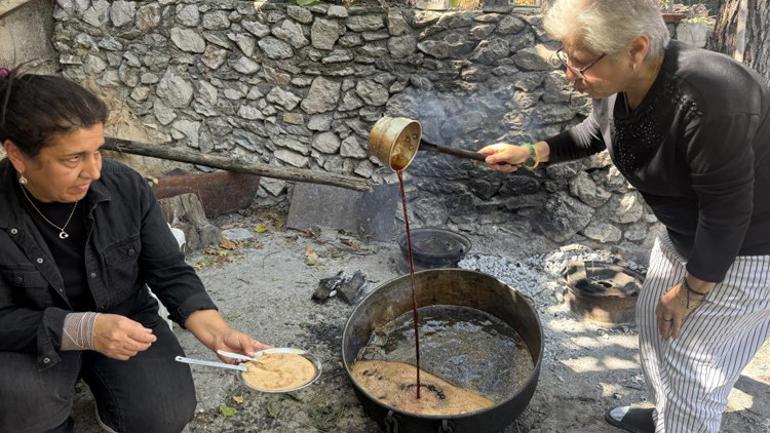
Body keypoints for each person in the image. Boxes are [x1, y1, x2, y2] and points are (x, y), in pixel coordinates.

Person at [479, 1, 770, 432]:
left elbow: (727, 211)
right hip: (686, 234)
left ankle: (681, 420)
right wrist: (533, 153)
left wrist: (692, 290)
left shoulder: (711, 96)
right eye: (567, 59)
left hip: (748, 249)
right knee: (656, 330)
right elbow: (596, 131)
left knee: (695, 374)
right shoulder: (621, 86)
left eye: (580, 64)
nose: (569, 75)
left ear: (636, 48)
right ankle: (662, 417)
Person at [0, 69, 269, 433]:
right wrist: (82, 329)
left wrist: (218, 332)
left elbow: (169, 270)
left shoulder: (124, 185)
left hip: (124, 316)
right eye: (73, 158)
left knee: (164, 415)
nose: (93, 172)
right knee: (23, 408)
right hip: (31, 334)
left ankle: (112, 403)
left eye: (98, 151)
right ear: (18, 156)